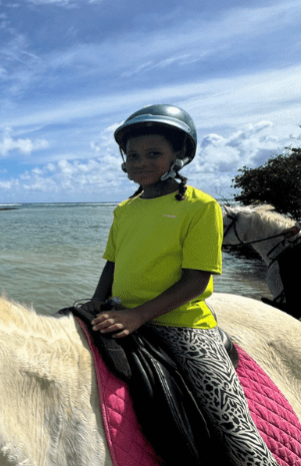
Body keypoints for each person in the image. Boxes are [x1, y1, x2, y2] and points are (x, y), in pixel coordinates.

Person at [88, 104, 277, 466]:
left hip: (183, 323)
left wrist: (139, 316)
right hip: (122, 309)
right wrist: (98, 300)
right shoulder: (124, 211)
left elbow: (196, 281)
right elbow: (113, 262)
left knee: (230, 418)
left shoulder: (200, 207)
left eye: (154, 153)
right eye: (133, 155)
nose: (140, 162)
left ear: (180, 155)